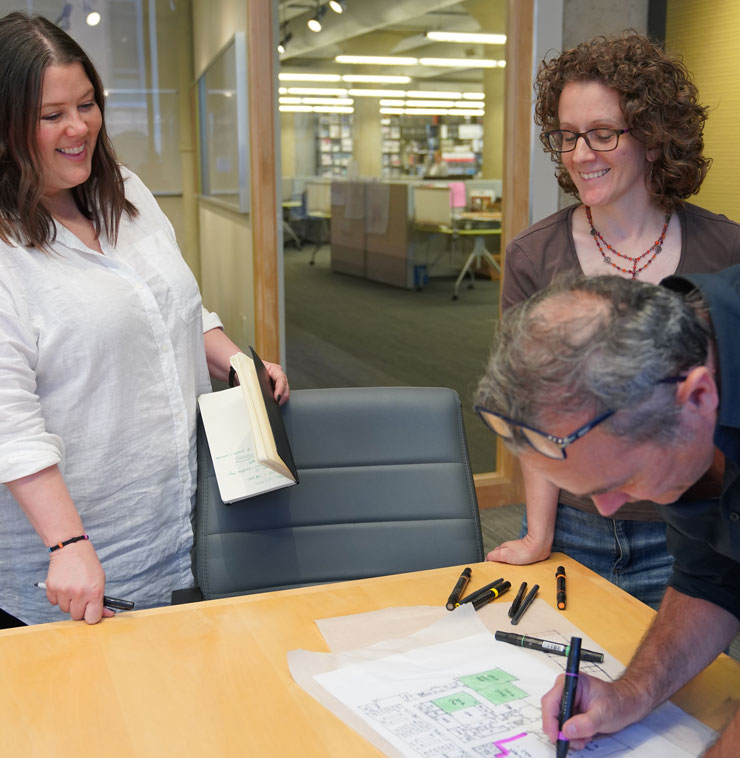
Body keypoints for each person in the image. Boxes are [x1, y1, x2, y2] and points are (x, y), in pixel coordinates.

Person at [0, 12, 288, 627]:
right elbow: (9, 422)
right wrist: (67, 545)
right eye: (52, 115)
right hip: (74, 564)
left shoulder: (126, 193)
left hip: (178, 525)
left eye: (87, 103)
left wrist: (239, 361)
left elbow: (177, 309)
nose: (78, 128)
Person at [489, 31, 740, 608]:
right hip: (581, 526)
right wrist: (538, 533)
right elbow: (534, 411)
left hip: (698, 530)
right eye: (568, 136)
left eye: (602, 134)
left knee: (685, 691)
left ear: (652, 139)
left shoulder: (725, 251)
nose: (580, 154)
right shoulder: (536, 256)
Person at [474, 269, 740, 758]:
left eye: (619, 484)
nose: (607, 509)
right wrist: (631, 692)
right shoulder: (664, 375)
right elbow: (711, 576)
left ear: (698, 399)